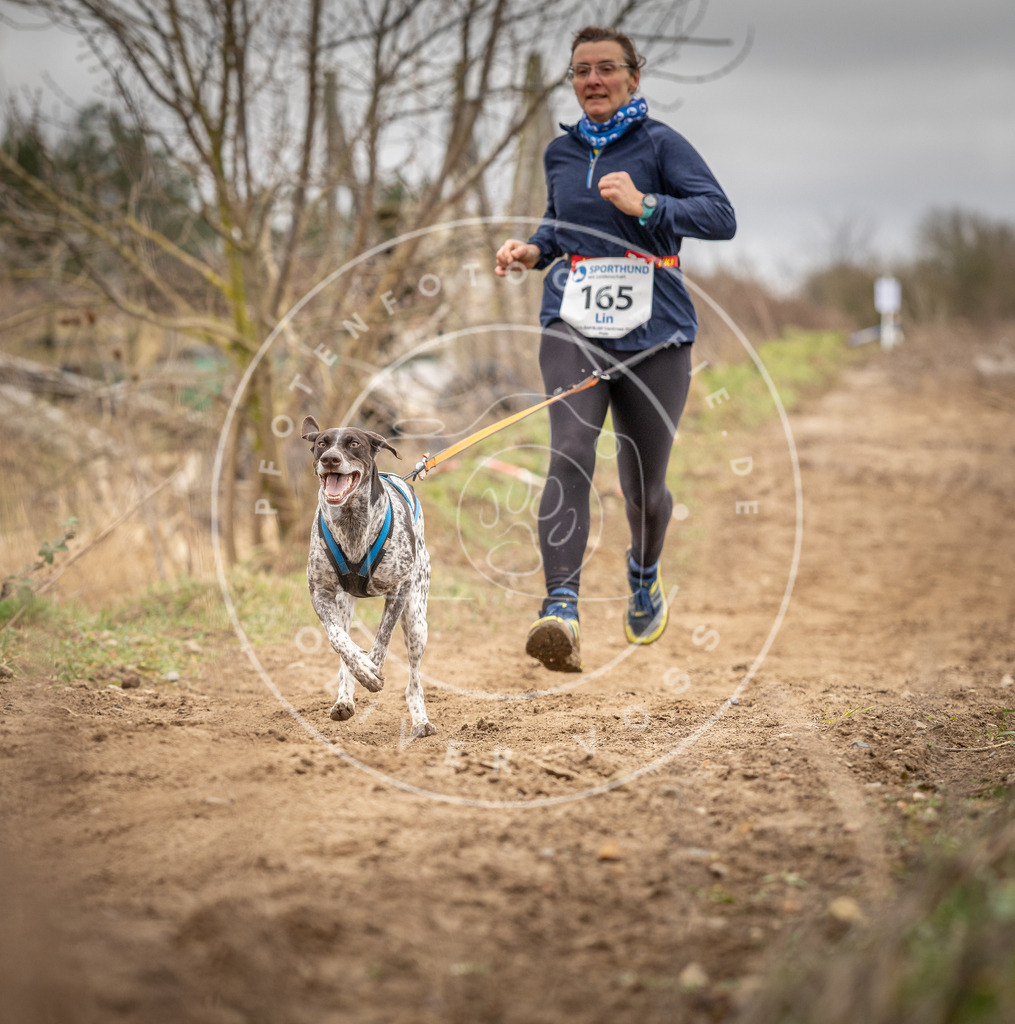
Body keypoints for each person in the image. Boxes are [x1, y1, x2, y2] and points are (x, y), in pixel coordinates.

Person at [495, 25, 736, 673]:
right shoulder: (560, 153)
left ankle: (642, 571)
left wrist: (647, 202)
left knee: (641, 485)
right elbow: (559, 223)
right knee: (569, 452)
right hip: (572, 319)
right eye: (580, 71)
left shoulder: (660, 144)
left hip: (655, 330)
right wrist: (533, 250)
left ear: (633, 76)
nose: (592, 81)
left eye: (605, 68)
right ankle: (561, 608)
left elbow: (719, 215)